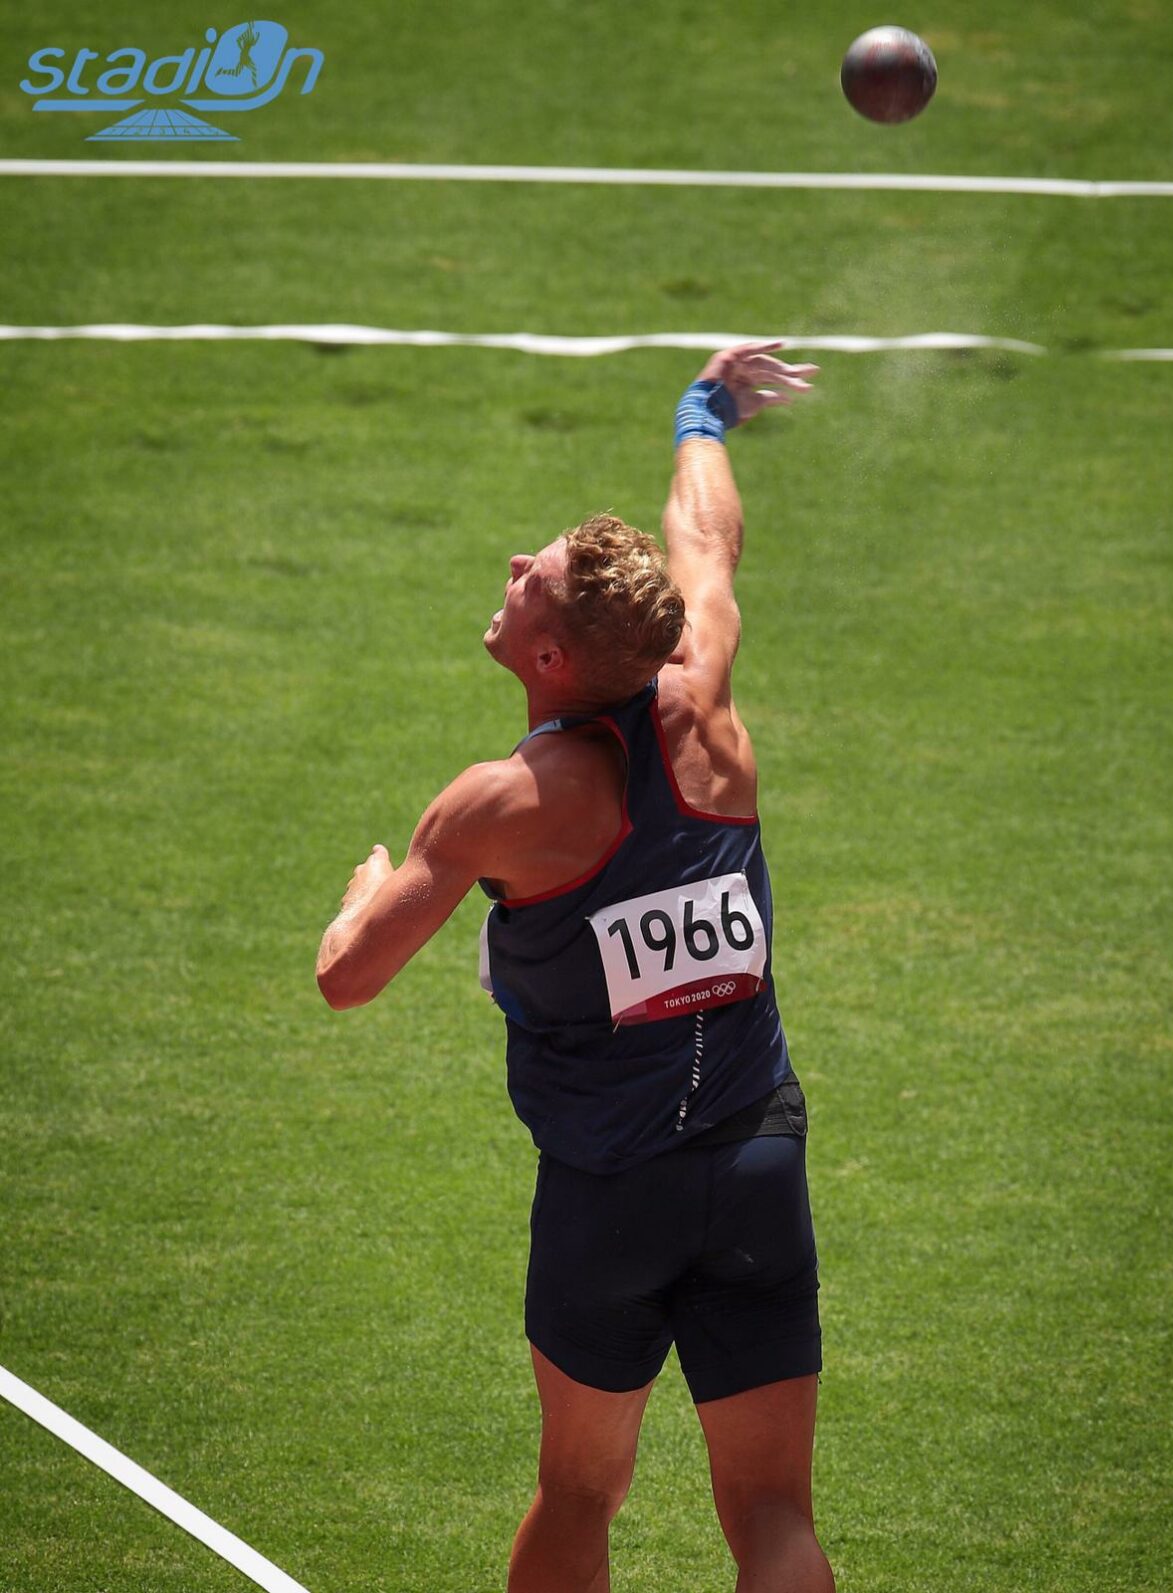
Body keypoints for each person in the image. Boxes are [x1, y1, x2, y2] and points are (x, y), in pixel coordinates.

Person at [316, 342, 834, 1592]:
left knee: (577, 1491)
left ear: (549, 660)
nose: (510, 571)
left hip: (609, 1192)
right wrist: (700, 410)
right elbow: (703, 539)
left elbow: (347, 978)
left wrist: (361, 891)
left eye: (530, 580)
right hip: (755, 1158)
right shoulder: (702, 698)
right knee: (771, 1508)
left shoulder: (501, 803)